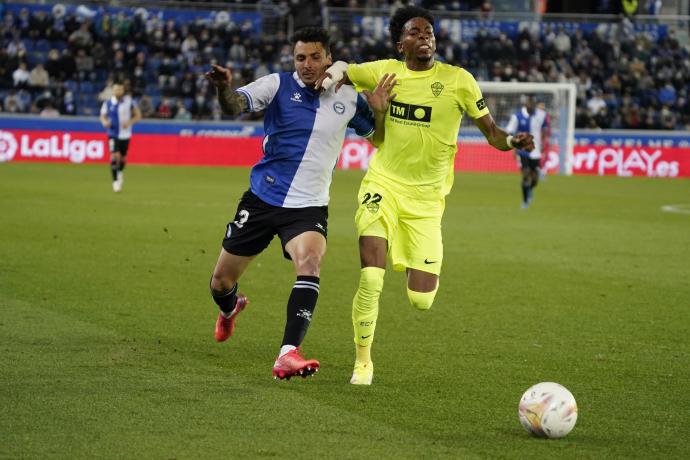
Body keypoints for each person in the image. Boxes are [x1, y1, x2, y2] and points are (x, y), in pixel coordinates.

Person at [316, 6, 534, 385]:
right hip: (383, 185)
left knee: (422, 299)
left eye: (429, 32)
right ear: (401, 43)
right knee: (371, 277)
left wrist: (513, 141)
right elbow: (346, 68)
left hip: (427, 202)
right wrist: (339, 82)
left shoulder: (458, 81)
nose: (425, 37)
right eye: (415, 32)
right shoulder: (385, 70)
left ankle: (412, 263)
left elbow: (494, 134)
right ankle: (363, 362)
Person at [204, 26, 395, 380]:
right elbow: (233, 105)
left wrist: (380, 112)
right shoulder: (276, 85)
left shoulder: (349, 97)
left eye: (314, 57)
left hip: (308, 207)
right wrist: (221, 88)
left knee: (310, 261)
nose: (307, 64)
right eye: (300, 58)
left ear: (329, 59)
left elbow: (380, 139)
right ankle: (230, 310)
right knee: (220, 282)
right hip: (262, 199)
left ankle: (288, 352)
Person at [506, 95, 549, 208]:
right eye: (529, 104)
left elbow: (545, 127)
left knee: (534, 179)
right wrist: (514, 148)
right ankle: (525, 201)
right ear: (526, 105)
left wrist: (543, 141)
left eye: (533, 104)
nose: (532, 106)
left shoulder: (541, 114)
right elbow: (510, 132)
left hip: (535, 152)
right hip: (522, 150)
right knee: (525, 175)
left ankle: (530, 189)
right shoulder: (517, 116)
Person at [99, 82, 141, 193]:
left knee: (123, 159)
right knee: (114, 156)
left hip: (125, 134)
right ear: (113, 91)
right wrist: (105, 122)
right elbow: (102, 116)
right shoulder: (108, 103)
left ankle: (120, 172)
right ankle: (115, 182)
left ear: (123, 91)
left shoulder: (129, 102)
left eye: (120, 90)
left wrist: (129, 122)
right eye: (116, 89)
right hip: (112, 133)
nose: (118, 92)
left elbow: (138, 115)